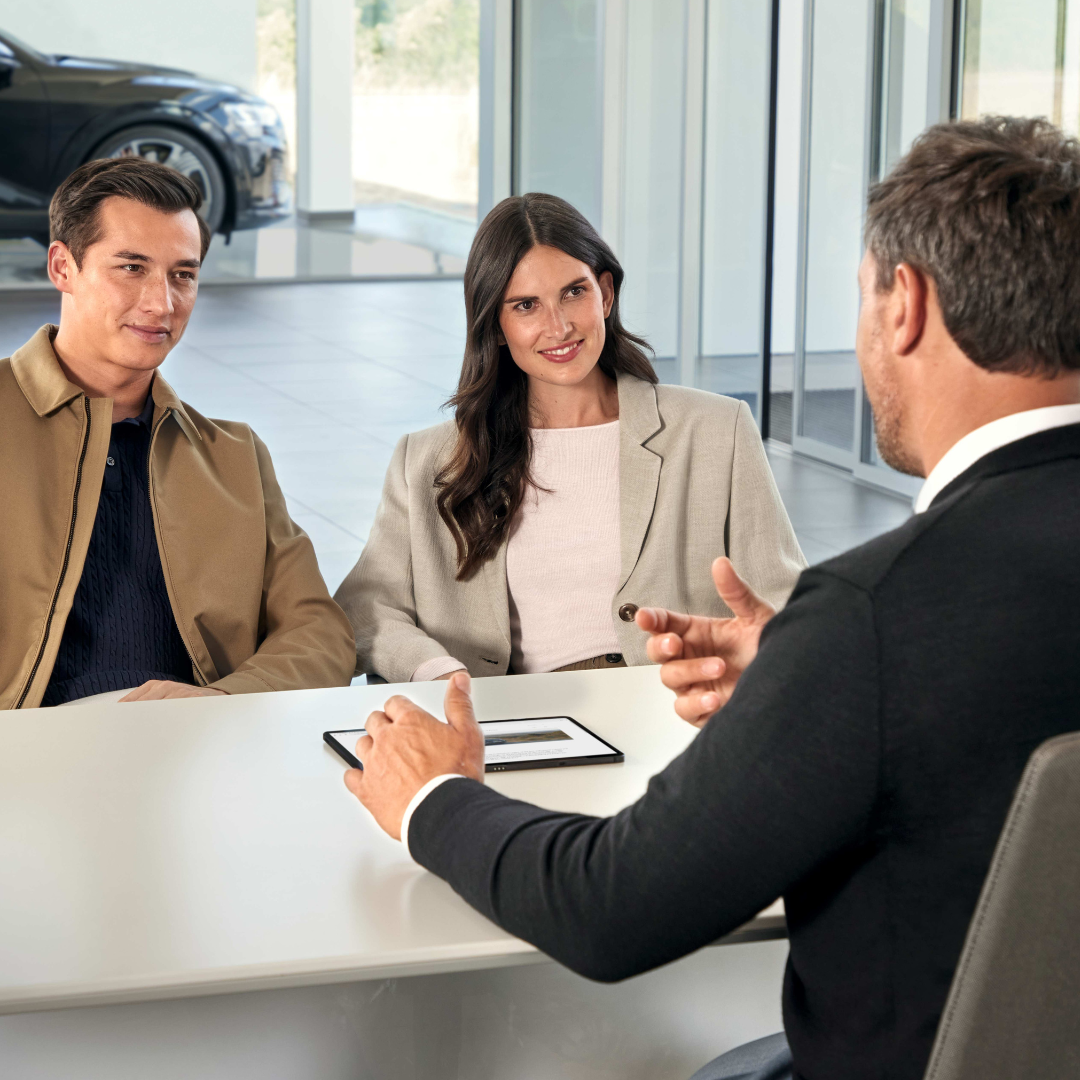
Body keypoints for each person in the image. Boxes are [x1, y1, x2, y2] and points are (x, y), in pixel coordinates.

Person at [340, 116, 1080, 1080]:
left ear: (905, 304)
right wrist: (793, 670)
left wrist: (431, 798)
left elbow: (611, 910)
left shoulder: (872, 617)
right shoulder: (871, 630)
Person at [334, 193, 804, 683]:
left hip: (680, 708)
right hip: (519, 720)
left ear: (606, 293)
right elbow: (366, 608)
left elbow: (784, 599)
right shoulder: (430, 460)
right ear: (496, 325)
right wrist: (439, 675)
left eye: (574, 292)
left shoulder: (716, 430)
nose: (557, 327)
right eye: (526, 305)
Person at [0, 157, 356, 710]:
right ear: (62, 266)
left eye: (182, 275)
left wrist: (216, 702)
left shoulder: (233, 456)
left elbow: (320, 632)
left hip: (201, 749)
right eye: (131, 268)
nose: (161, 303)